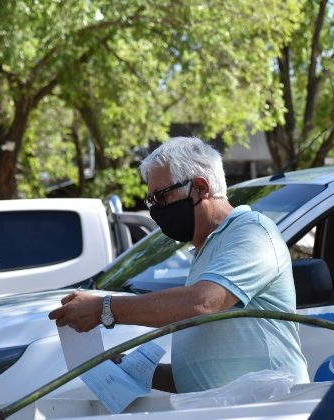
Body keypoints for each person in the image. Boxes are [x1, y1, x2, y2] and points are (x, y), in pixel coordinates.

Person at [48, 136, 308, 393]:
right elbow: (199, 375)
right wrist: (129, 368)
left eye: (161, 198)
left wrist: (104, 308)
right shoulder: (206, 252)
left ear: (201, 187)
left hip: (271, 407)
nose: (154, 210)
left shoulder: (252, 231)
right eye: (150, 201)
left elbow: (203, 303)